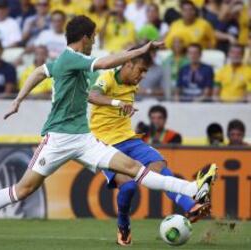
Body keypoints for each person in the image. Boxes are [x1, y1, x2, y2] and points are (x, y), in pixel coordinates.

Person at [0, 15, 217, 246]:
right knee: (22, 190)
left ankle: (192, 189)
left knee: (133, 169)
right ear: (84, 37)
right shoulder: (72, 58)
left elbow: (38, 72)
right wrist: (141, 50)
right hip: (57, 139)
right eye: (93, 37)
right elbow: (104, 64)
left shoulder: (63, 61)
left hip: (83, 138)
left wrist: (18, 99)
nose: (94, 41)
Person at [88, 47, 211, 245]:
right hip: (104, 145)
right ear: (128, 64)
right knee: (128, 187)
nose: (143, 76)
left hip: (130, 140)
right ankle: (123, 225)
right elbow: (92, 96)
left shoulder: (133, 84)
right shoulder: (108, 77)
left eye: (146, 71)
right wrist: (116, 102)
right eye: (141, 70)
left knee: (161, 169)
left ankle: (191, 207)